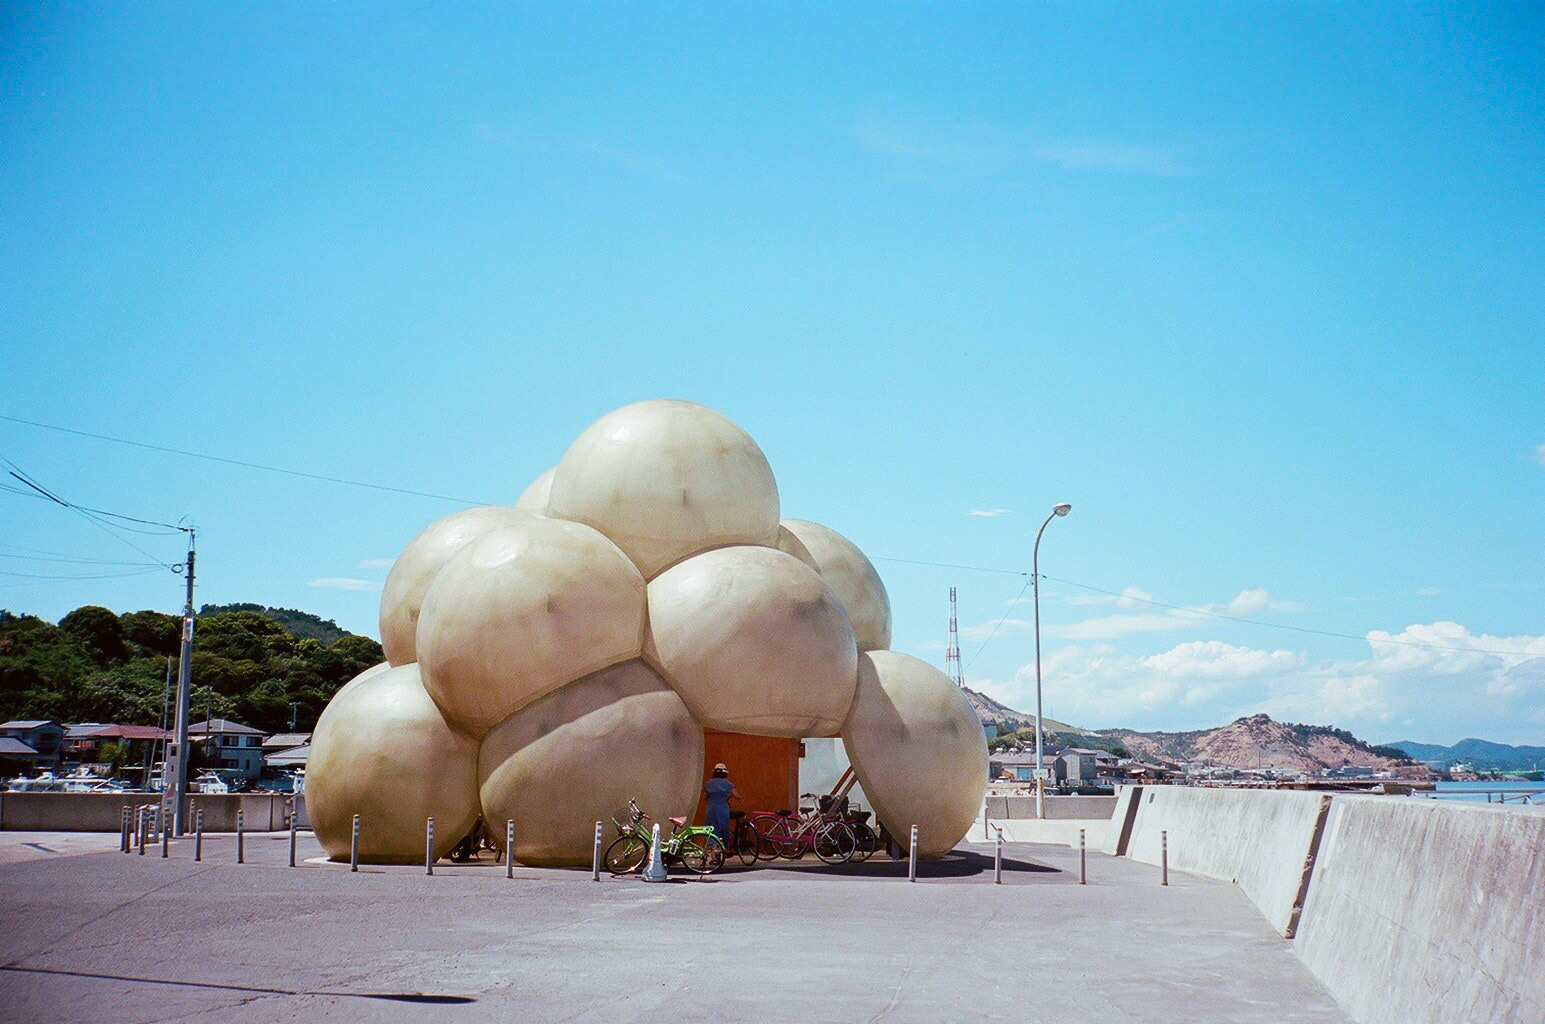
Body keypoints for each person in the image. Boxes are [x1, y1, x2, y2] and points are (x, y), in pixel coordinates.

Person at [702, 763, 739, 844]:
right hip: (723, 809)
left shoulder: (709, 783)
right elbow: (737, 796)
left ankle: (714, 848)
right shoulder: (728, 784)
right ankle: (721, 848)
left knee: (712, 829)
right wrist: (727, 796)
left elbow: (705, 797)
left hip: (712, 808)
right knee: (723, 828)